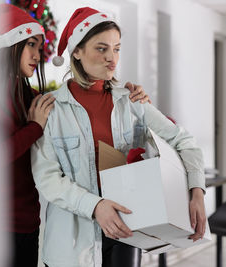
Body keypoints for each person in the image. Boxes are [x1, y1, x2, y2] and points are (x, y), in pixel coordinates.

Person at [31, 7, 207, 267]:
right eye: (101, 49)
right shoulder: (52, 109)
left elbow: (184, 142)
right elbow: (47, 178)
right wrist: (95, 206)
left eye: (116, 49)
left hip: (128, 233)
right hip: (71, 246)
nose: (112, 58)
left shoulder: (133, 101)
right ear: (76, 51)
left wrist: (197, 192)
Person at [0, 4, 151, 267]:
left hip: (29, 221)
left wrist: (139, 100)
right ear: (9, 44)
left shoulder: (33, 98)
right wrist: (34, 128)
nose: (37, 55)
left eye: (40, 47)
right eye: (30, 45)